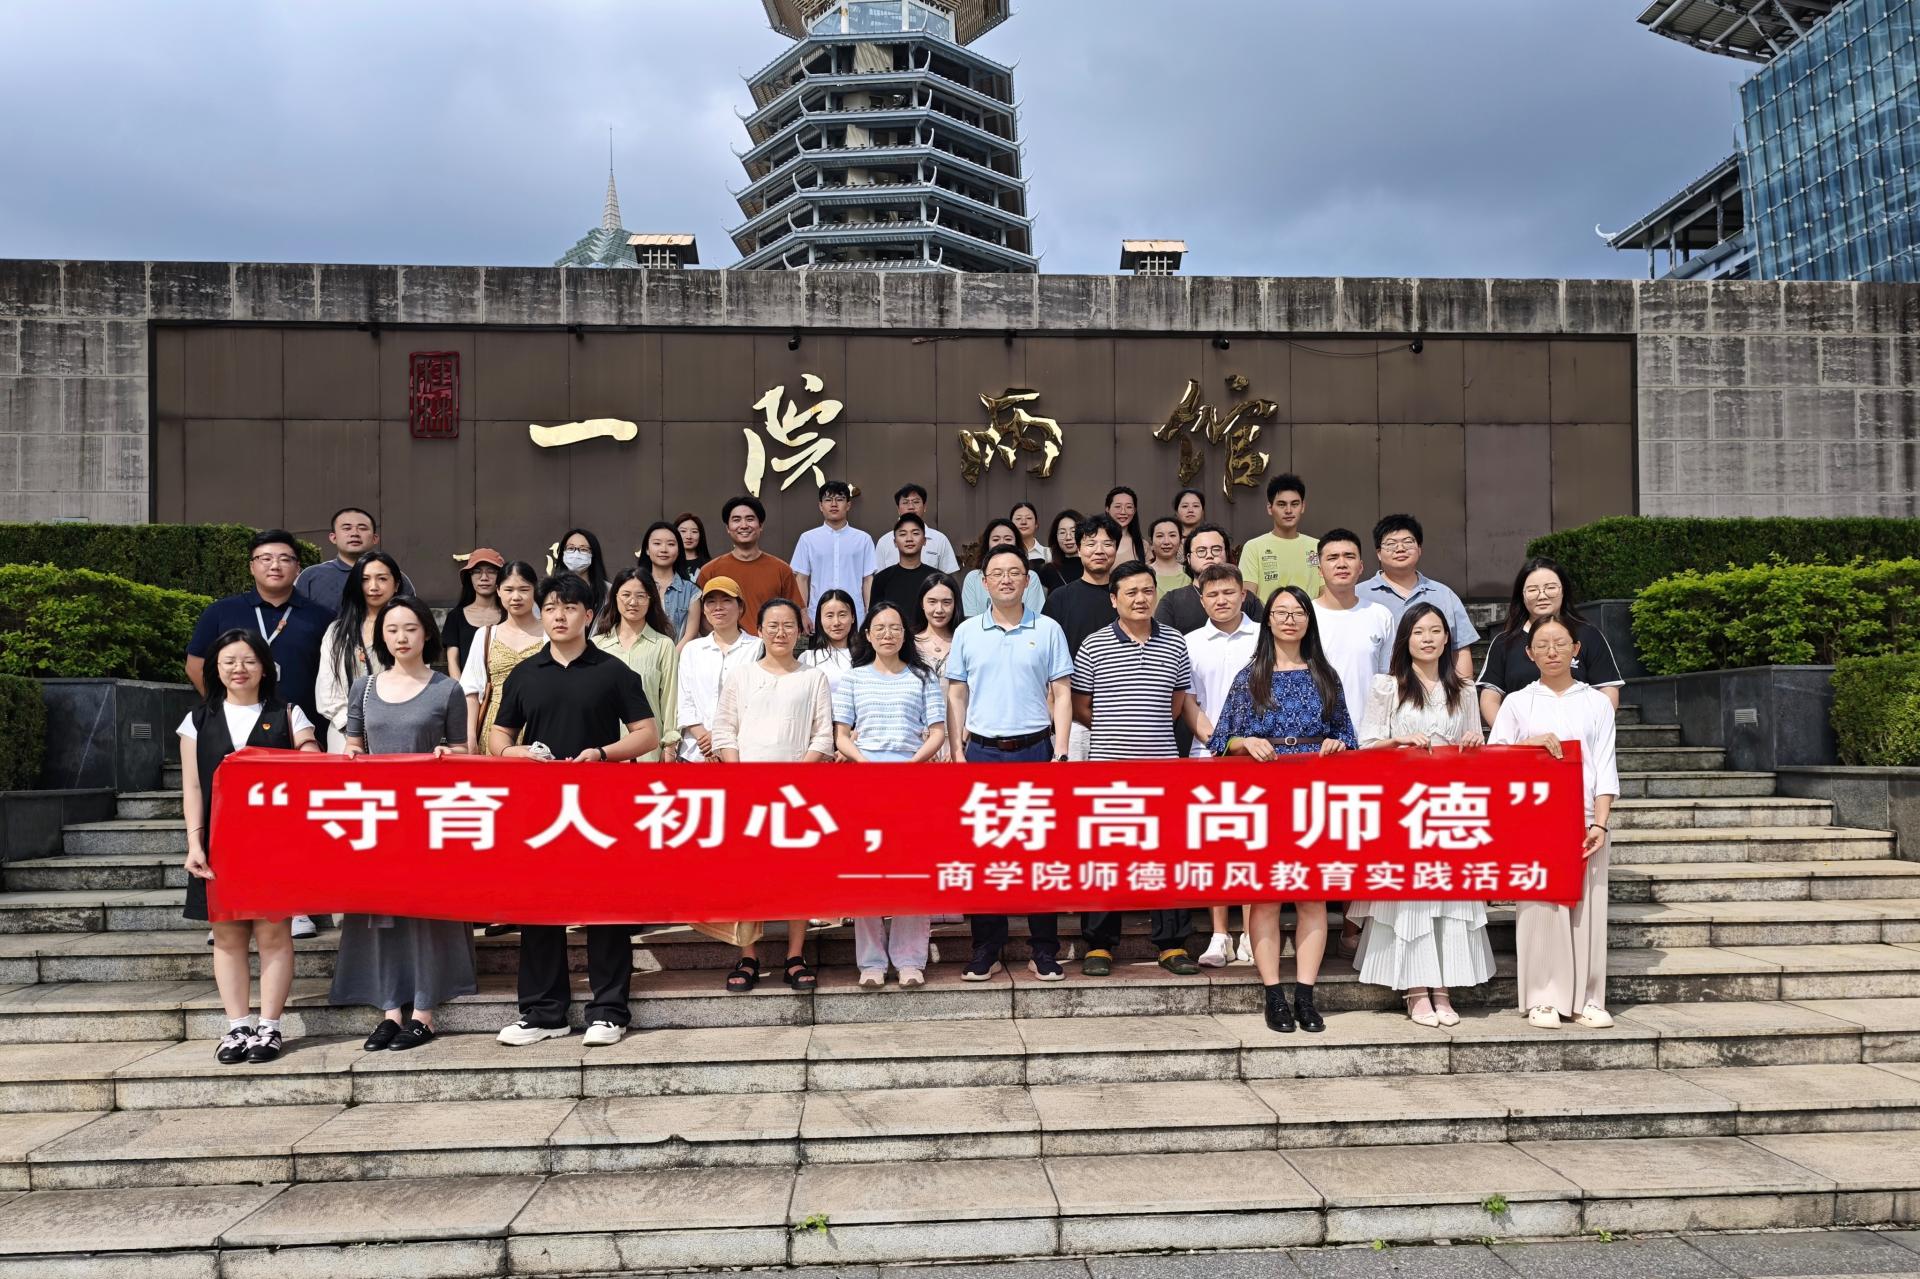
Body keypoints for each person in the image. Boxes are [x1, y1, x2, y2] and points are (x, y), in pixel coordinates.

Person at [491, 573, 659, 1049]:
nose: (558, 616)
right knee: (539, 908)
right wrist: (517, 754)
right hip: (541, 809)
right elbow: (500, 736)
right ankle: (544, 1013)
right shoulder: (525, 673)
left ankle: (609, 1011)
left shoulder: (613, 671)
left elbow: (646, 733)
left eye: (568, 607)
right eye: (550, 608)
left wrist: (601, 754)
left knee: (606, 907)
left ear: (588, 614)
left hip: (600, 807)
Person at [1208, 585, 1359, 1035]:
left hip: (1314, 795)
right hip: (1264, 795)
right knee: (1267, 896)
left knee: (1312, 896)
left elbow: (1348, 736)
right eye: (1281, 612)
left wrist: (1336, 745)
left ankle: (1305, 995)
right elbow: (1221, 741)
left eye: (1298, 612)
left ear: (1309, 620)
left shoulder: (1326, 676)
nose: (1290, 620)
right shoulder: (1250, 676)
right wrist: (1246, 742)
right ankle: (1273, 993)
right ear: (1268, 620)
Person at [331, 597, 476, 1051]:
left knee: (426, 912)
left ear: (426, 633)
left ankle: (423, 1013)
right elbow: (354, 746)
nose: (401, 637)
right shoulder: (365, 687)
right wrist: (351, 756)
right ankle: (389, 1009)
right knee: (382, 911)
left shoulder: (447, 689)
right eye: (392, 629)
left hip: (429, 817)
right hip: (379, 818)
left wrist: (447, 756)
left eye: (410, 628)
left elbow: (464, 752)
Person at [179, 629, 319, 1064]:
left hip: (276, 844)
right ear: (215, 669)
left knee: (274, 934)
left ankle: (269, 1027)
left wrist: (311, 749)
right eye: (229, 661)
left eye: (248, 661)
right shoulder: (197, 720)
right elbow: (192, 787)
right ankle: (237, 1027)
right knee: (227, 937)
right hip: (219, 844)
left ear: (265, 668)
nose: (239, 669)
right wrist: (194, 842)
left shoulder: (287, 713)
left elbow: (311, 755)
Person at [1354, 604, 1494, 1028]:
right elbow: (1366, 743)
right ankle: (1416, 990)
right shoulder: (1388, 685)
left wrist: (1474, 742)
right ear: (1406, 639)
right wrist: (1398, 741)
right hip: (1404, 806)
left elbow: (1477, 747)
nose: (1428, 638)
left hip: (1451, 806)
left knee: (1449, 895)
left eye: (1435, 631)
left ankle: (1443, 988)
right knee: (1412, 896)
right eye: (1418, 631)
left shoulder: (1463, 689)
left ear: (1447, 638)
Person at [946, 545, 1073, 982]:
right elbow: (956, 694)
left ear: (1027, 580)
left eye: (1014, 572)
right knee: (984, 853)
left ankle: (1044, 949)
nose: (1005, 579)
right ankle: (987, 948)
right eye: (997, 573)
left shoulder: (1049, 628)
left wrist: (1061, 752)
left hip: (1036, 749)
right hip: (981, 751)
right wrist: (957, 752)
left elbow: (1062, 693)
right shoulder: (967, 631)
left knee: (1040, 852)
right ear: (983, 583)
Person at [1073, 561, 1204, 977]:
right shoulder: (1093, 644)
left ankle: (1171, 944)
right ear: (1114, 599)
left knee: (1166, 855)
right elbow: (1081, 705)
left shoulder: (1175, 642)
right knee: (1106, 858)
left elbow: (1178, 702)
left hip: (1162, 767)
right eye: (1131, 592)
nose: (1141, 599)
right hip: (1108, 769)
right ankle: (1098, 945)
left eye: (1147, 591)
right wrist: (1116, 731)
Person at [1489, 617, 1620, 1032]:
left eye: (1560, 643)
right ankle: (1543, 997)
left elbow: (1605, 764)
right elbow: (1494, 760)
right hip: (1535, 819)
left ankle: (1588, 998)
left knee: (1588, 911)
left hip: (1586, 820)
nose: (1551, 651)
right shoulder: (1517, 703)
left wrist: (1601, 823)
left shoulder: (1596, 703)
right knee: (1540, 910)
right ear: (1529, 654)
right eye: (1542, 644)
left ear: (1575, 649)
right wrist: (1526, 744)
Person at [710, 599, 834, 994]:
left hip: (797, 793)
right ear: (760, 630)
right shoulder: (742, 675)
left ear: (800, 631)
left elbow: (823, 736)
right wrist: (740, 777)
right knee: (748, 875)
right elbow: (724, 730)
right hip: (748, 790)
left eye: (788, 625)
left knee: (798, 874)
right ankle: (748, 954)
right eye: (773, 625)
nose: (781, 632)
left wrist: (796, 777)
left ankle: (795, 955)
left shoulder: (813, 677)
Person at [834, 601, 947, 988]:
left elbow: (937, 732)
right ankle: (871, 963)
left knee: (910, 872)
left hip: (912, 779)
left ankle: (910, 959)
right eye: (879, 628)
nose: (887, 634)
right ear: (867, 634)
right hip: (865, 780)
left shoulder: (922, 676)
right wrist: (864, 763)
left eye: (895, 627)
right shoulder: (853, 679)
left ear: (905, 634)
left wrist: (912, 764)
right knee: (867, 873)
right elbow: (841, 735)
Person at [1312, 527, 1400, 961]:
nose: (1341, 564)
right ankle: (1311, 929)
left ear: (1363, 566)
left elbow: (1388, 681)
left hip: (1368, 743)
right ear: (1319, 566)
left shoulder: (1379, 615)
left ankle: (1352, 927)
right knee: (1315, 837)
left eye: (1349, 556)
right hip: (1315, 743)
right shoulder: (1306, 614)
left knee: (1360, 838)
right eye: (1332, 557)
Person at [1182, 563, 1261, 968]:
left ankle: (1250, 933)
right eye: (1212, 594)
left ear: (1243, 594)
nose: (1221, 600)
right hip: (1207, 755)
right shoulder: (1190, 643)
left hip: (1261, 757)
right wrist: (1220, 742)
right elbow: (1188, 702)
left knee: (1253, 846)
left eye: (1229, 592)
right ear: (1202, 600)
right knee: (1216, 848)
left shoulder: (1265, 637)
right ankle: (1219, 935)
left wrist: (1247, 745)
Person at [186, 528, 331, 743]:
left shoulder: (323, 617)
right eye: (265, 558)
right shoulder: (221, 612)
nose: (275, 565)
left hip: (305, 729)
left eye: (285, 559)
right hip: (236, 730)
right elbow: (195, 665)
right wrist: (222, 706)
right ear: (251, 567)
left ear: (298, 567)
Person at [1479, 556, 1624, 729]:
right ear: (1522, 595)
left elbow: (1607, 690)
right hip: (1524, 741)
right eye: (1533, 590)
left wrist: (1592, 729)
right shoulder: (1504, 642)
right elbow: (1490, 697)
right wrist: (1510, 736)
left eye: (1550, 588)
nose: (1542, 595)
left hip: (1578, 738)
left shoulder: (1588, 635)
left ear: (1563, 591)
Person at [1360, 514, 1481, 682]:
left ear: (1419, 549)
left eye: (1408, 542)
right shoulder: (1359, 595)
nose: (1400, 548)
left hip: (1434, 693)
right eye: (1391, 544)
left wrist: (1463, 691)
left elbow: (1460, 649)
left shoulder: (1444, 595)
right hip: (1376, 692)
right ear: (1379, 553)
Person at [1043, 514, 1120, 760]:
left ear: (1116, 549)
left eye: (1107, 544)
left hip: (1122, 718)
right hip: (1072, 721)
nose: (1099, 550)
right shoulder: (1060, 598)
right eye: (1091, 543)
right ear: (1078, 549)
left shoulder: (1127, 598)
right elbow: (1046, 658)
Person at [594, 568, 682, 763]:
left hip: (648, 753)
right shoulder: (597, 645)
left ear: (651, 600)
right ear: (615, 597)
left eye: (640, 596)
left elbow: (670, 699)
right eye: (626, 595)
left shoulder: (663, 645)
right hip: (604, 751)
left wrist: (669, 747)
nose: (633, 602)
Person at [459, 561, 547, 755]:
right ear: (498, 591)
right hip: (494, 726)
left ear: (535, 590)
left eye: (524, 589)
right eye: (508, 590)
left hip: (539, 724)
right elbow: (471, 691)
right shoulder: (485, 635)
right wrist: (470, 737)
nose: (516, 597)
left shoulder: (550, 634)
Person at [688, 495, 803, 641]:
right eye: (736, 520)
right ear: (728, 528)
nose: (743, 525)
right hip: (726, 649)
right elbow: (701, 619)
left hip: (769, 648)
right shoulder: (709, 571)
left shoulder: (782, 569)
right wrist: (727, 644)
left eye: (750, 519)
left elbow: (794, 614)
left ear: (760, 525)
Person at [315, 551, 403, 741]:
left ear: (396, 585)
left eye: (382, 579)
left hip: (396, 732)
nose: (373, 587)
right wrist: (353, 728)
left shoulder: (408, 630)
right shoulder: (337, 631)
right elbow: (326, 689)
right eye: (365, 579)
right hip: (343, 733)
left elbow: (417, 679)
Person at [677, 577, 757, 763]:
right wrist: (704, 737)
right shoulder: (692, 649)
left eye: (726, 600)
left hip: (741, 750)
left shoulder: (757, 648)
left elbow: (756, 702)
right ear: (704, 610)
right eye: (711, 602)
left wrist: (719, 737)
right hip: (696, 751)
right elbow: (685, 701)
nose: (718, 607)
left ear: (740, 607)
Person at [295, 507, 415, 614]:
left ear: (374, 538)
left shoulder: (394, 577)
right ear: (333, 537)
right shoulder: (311, 576)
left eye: (362, 528)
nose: (354, 533)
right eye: (347, 528)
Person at [792, 479, 875, 621]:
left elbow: (868, 580)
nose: (834, 504)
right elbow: (801, 579)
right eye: (828, 500)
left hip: (855, 615)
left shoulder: (863, 539)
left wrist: (870, 614)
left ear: (848, 505)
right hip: (817, 615)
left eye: (840, 499)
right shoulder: (807, 539)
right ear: (820, 506)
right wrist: (803, 613)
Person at [1157, 523, 1261, 635]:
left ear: (1226, 554)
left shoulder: (1247, 598)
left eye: (1216, 549)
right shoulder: (1172, 601)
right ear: (1189, 558)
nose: (1209, 555)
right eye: (1201, 551)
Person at [1239, 473, 1323, 602]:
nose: (1288, 510)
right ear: (1270, 508)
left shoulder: (1317, 546)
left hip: (1311, 615)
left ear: (1303, 507)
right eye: (1282, 504)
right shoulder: (1253, 547)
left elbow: (1326, 594)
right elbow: (1248, 600)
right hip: (1267, 615)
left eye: (1295, 504)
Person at [441, 548, 506, 680]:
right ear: (469, 577)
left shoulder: (510, 615)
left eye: (491, 571)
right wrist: (461, 690)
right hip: (467, 689)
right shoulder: (455, 616)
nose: (484, 578)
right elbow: (453, 661)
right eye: (477, 572)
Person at [961, 518, 1046, 617]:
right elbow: (971, 620)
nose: (1002, 543)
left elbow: (1034, 617)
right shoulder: (972, 578)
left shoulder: (1031, 577)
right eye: (995, 539)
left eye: (1008, 539)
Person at [874, 482, 960, 574]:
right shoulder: (884, 542)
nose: (911, 507)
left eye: (916, 502)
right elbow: (879, 578)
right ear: (898, 509)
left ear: (925, 507)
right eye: (905, 502)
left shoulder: (940, 539)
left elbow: (949, 576)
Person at [871, 513, 939, 619]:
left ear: (924, 540)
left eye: (915, 533)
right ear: (895, 542)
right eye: (903, 534)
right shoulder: (882, 579)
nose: (909, 539)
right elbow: (874, 617)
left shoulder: (936, 578)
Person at [640, 521, 699, 638]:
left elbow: (690, 634)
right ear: (647, 549)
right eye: (657, 543)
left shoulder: (691, 590)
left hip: (679, 649)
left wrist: (672, 651)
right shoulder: (637, 585)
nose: (664, 549)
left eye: (671, 544)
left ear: (679, 550)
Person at [801, 588, 857, 696]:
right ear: (820, 620)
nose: (836, 622)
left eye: (842, 615)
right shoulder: (808, 658)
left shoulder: (865, 656)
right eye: (829, 616)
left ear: (853, 617)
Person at [555, 527, 612, 623]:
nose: (576, 554)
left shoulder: (608, 591)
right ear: (563, 553)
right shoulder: (551, 589)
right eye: (571, 548)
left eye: (583, 549)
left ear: (593, 554)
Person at [1146, 515, 1189, 598]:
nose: (1166, 542)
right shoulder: (1142, 573)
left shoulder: (1190, 574)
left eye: (1172, 535)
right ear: (1151, 543)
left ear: (1180, 541)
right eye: (1160, 536)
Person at [1104, 485, 1146, 564]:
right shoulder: (1095, 541)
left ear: (1134, 510)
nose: (1123, 512)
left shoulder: (1143, 545)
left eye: (1129, 507)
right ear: (1107, 509)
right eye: (1117, 506)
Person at [674, 512, 714, 581]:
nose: (689, 536)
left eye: (694, 531)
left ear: (701, 535)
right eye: (683, 531)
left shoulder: (710, 565)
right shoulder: (668, 564)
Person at [1049, 510, 1084, 584]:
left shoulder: (1095, 567)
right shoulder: (1048, 571)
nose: (1068, 537)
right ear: (1055, 537)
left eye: (1073, 531)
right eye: (1062, 532)